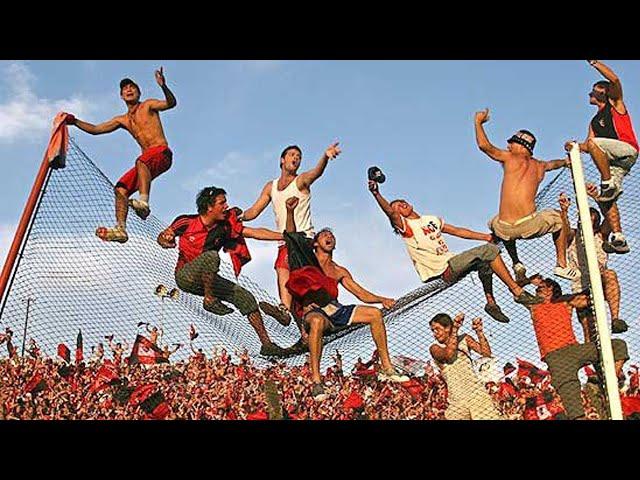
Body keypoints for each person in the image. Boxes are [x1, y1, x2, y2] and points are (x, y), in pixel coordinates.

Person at [283, 196, 409, 401]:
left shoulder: (339, 270)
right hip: (314, 312)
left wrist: (381, 299)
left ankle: (387, 367)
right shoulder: (309, 259)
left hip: (336, 311)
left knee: (375, 314)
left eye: (332, 235)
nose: (329, 236)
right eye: (324, 234)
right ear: (315, 242)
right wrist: (289, 212)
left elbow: (360, 293)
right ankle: (316, 380)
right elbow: (291, 235)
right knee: (316, 322)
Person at [369, 178, 541, 324]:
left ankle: (491, 303)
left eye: (401, 202)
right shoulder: (407, 227)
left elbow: (458, 231)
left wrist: (485, 237)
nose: (399, 205)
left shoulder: (431, 220)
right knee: (489, 251)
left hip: (453, 261)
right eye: (396, 207)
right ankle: (516, 291)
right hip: (443, 269)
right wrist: (377, 194)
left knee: (485, 261)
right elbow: (391, 213)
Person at [157, 186, 287, 357]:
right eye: (222, 202)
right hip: (185, 276)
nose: (226, 206)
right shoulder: (186, 222)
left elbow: (254, 233)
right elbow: (163, 236)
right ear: (209, 207)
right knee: (211, 256)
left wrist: (285, 236)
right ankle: (210, 300)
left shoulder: (225, 227)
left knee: (246, 297)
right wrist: (165, 240)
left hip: (206, 279)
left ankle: (267, 344)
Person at [66, 68, 177, 243]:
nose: (129, 90)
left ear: (138, 92)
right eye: (125, 89)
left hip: (161, 153)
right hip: (147, 164)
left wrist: (164, 87)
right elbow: (96, 129)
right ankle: (120, 229)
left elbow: (171, 103)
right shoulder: (123, 120)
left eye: (132, 87)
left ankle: (143, 202)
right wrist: (75, 122)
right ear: (121, 96)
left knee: (141, 160)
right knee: (120, 189)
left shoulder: (148, 105)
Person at [241, 143, 342, 336]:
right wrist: (241, 216)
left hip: (303, 239)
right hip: (285, 239)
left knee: (290, 271)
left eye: (299, 156)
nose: (296, 158)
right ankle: (289, 315)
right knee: (283, 271)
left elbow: (316, 173)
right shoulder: (271, 187)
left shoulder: (301, 181)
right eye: (292, 155)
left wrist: (326, 157)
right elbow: (254, 211)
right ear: (282, 159)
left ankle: (289, 310)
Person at [475, 108, 580, 282]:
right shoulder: (540, 166)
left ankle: (517, 262)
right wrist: (567, 162)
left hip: (504, 228)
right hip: (528, 226)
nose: (508, 146)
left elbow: (484, 146)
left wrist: (478, 122)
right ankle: (560, 265)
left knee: (494, 222)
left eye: (511, 143)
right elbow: (553, 164)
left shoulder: (509, 157)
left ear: (521, 145)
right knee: (558, 219)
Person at [526, 276, 629, 420]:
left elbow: (594, 297)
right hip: (556, 357)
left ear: (551, 289)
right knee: (574, 410)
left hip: (574, 349)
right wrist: (528, 280)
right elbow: (516, 292)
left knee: (618, 346)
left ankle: (607, 382)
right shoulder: (534, 305)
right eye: (536, 289)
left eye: (540, 287)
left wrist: (605, 278)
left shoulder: (565, 301)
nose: (537, 290)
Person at [564, 60, 638, 254]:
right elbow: (588, 145)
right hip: (614, 162)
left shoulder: (615, 104)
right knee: (606, 200)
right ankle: (618, 236)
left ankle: (607, 182)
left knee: (595, 148)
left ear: (603, 91)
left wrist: (595, 63)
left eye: (593, 90)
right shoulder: (594, 122)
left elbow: (614, 79)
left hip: (627, 150)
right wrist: (573, 146)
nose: (590, 94)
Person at [558, 191, 627, 336]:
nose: (586, 222)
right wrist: (564, 211)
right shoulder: (573, 235)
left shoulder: (601, 234)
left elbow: (610, 217)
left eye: (590, 219)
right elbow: (564, 231)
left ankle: (615, 319)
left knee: (610, 274)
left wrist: (597, 198)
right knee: (589, 331)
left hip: (599, 278)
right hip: (581, 285)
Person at [429, 312, 503, 420]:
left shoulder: (464, 339)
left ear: (447, 327)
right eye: (433, 330)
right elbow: (449, 355)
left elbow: (486, 353)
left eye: (437, 329)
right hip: (457, 401)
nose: (435, 333)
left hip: (477, 394)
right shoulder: (435, 348)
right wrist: (455, 329)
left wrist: (479, 332)